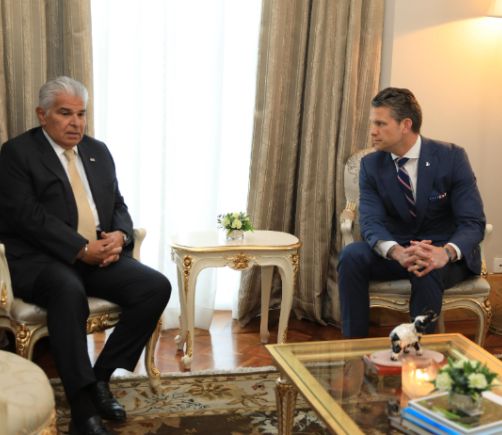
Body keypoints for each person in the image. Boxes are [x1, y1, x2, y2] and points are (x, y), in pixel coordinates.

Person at [0, 76, 171, 435]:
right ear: (42, 114)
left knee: (155, 287)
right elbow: (27, 217)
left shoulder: (98, 151)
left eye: (81, 114)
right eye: (65, 113)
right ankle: (82, 410)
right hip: (41, 260)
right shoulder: (18, 153)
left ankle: (100, 379)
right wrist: (80, 249)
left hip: (96, 256)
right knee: (67, 290)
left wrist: (120, 236)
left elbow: (118, 204)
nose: (76, 123)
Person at [337, 87, 485, 338]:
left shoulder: (451, 157)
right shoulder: (371, 165)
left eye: (380, 124)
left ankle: (418, 353)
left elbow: (473, 222)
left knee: (427, 267)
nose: (372, 131)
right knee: (351, 256)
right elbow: (370, 221)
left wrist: (445, 253)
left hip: (444, 256)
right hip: (398, 251)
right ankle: (354, 348)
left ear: (405, 125)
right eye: (372, 123)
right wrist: (397, 252)